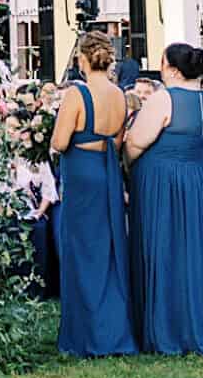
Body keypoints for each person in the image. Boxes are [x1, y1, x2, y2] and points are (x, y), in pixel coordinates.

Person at [123, 41, 203, 357]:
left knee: (165, 249)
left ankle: (168, 327)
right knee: (196, 251)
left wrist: (129, 166)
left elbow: (135, 142)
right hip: (201, 181)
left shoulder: (164, 98)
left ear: (173, 70)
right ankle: (200, 320)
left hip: (164, 181)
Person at [49, 31, 138, 357]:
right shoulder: (119, 95)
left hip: (82, 171)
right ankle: (113, 330)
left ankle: (84, 336)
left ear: (82, 59)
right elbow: (116, 141)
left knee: (81, 251)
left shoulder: (77, 93)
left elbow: (59, 142)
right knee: (108, 250)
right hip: (107, 171)